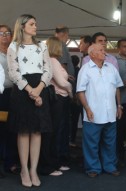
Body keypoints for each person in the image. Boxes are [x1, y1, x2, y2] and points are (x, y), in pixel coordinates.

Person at [7, 14, 52, 187]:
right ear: (23, 26)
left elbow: (48, 70)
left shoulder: (42, 46)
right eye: (32, 24)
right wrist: (30, 90)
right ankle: (24, 170)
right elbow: (13, 72)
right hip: (22, 91)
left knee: (37, 131)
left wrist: (39, 89)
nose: (35, 27)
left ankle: (33, 169)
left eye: (36, 24)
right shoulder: (14, 46)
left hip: (40, 89)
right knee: (24, 131)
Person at [77, 44, 123, 178]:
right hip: (94, 113)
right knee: (91, 143)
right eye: (101, 50)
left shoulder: (111, 68)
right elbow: (80, 91)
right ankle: (92, 168)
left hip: (111, 113)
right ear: (92, 54)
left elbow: (117, 88)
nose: (105, 52)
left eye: (104, 50)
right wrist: (87, 108)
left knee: (110, 142)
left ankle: (109, 166)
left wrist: (119, 105)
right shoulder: (85, 70)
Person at [47, 36, 73, 172]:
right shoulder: (52, 61)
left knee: (59, 131)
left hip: (59, 99)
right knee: (56, 132)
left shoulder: (54, 61)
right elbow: (61, 83)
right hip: (58, 100)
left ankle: (56, 162)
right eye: (61, 46)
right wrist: (70, 90)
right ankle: (53, 163)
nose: (63, 50)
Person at [0, 25, 20, 177]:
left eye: (7, 33)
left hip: (14, 94)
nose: (5, 36)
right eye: (1, 33)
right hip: (1, 95)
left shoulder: (15, 52)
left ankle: (11, 162)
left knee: (12, 129)